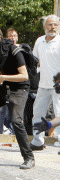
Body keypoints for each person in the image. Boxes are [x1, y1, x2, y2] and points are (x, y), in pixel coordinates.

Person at [30, 14, 60, 155]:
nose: (53, 27)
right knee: (37, 113)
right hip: (43, 85)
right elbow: (35, 60)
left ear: (59, 26)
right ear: (45, 27)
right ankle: (37, 142)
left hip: (59, 86)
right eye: (50, 24)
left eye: (55, 24)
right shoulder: (39, 41)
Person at [0, 29, 35, 169]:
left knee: (16, 121)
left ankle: (29, 157)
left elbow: (24, 76)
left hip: (20, 88)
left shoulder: (13, 50)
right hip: (4, 86)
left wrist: (3, 77)